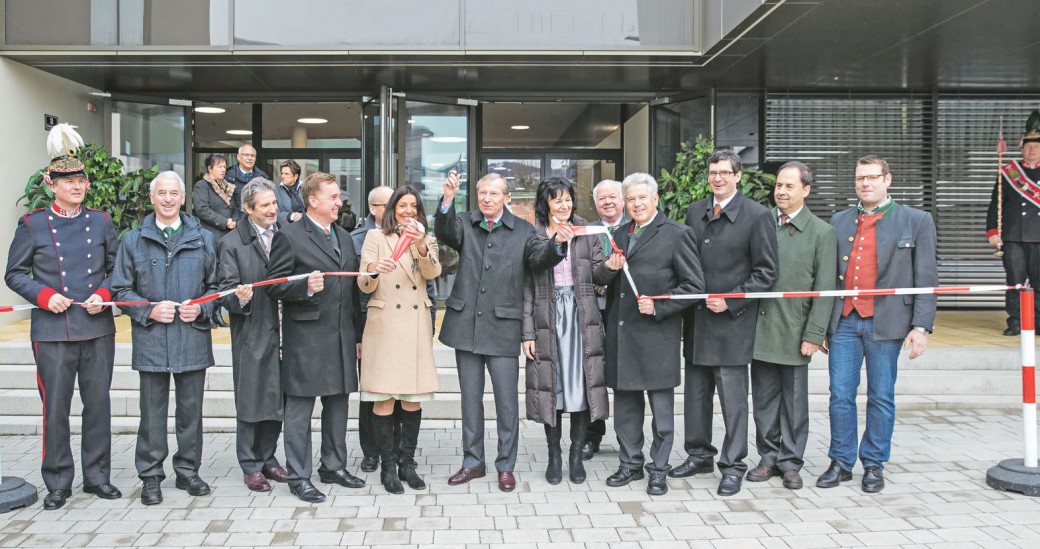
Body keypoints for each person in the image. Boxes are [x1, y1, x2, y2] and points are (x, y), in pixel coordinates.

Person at [4, 124, 120, 510]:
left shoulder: (102, 221)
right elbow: (15, 273)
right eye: (66, 180)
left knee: (98, 406)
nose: (75, 185)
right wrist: (44, 295)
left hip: (96, 327)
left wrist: (103, 295)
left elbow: (116, 270)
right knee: (55, 410)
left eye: (80, 179)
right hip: (52, 330)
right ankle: (57, 481)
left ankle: (97, 477)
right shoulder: (33, 224)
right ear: (50, 184)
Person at [435, 171, 569, 493]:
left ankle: (505, 466)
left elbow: (540, 257)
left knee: (506, 403)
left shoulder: (522, 230)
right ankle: (472, 462)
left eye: (494, 194)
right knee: (470, 400)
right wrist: (448, 200)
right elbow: (444, 231)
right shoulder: (465, 222)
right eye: (482, 193)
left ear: (507, 198)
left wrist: (557, 244)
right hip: (466, 325)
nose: (487, 199)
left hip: (504, 328)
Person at [818, 154, 937, 494]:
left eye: (872, 177)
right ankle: (840, 461)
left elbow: (926, 278)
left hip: (888, 322)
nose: (865, 183)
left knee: (881, 396)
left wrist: (921, 327)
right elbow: (826, 275)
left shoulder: (916, 220)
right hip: (843, 321)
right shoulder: (839, 220)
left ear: (888, 179)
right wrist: (821, 325)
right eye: (860, 178)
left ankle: (873, 463)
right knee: (840, 394)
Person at [111, 171, 218, 506]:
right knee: (152, 413)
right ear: (152, 198)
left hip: (192, 336)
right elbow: (120, 289)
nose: (168, 199)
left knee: (191, 412)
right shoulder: (133, 239)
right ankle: (151, 476)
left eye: (174, 192)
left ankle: (188, 471)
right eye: (162, 193)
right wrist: (148, 311)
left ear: (183, 197)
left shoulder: (203, 237)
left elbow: (217, 287)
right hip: (153, 338)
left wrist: (201, 309)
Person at [676, 149, 779, 497]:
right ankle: (698, 454)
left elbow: (766, 273)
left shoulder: (757, 216)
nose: (717, 178)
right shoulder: (695, 210)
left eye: (724, 172)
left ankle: (733, 464)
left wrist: (733, 299)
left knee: (733, 401)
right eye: (712, 172)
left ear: (738, 176)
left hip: (732, 325)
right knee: (696, 396)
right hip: (697, 321)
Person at [266, 171, 365, 503]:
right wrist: (303, 286)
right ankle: (298, 474)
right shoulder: (290, 236)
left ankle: (333, 466)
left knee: (338, 403)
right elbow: (273, 285)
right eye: (333, 197)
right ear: (313, 201)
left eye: (338, 197)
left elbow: (352, 292)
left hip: (341, 335)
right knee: (299, 409)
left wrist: (358, 336)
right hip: (306, 338)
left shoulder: (344, 235)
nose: (340, 202)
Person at [604, 172, 703, 496]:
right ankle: (630, 464)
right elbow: (604, 279)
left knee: (661, 415)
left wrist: (660, 306)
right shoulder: (618, 233)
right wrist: (608, 268)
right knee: (626, 412)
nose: (636, 204)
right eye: (631, 199)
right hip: (623, 337)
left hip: (657, 336)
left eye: (641, 198)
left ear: (655, 199)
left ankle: (658, 469)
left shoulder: (677, 234)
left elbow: (693, 288)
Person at [522, 177, 622, 485]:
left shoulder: (586, 230)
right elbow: (530, 277)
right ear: (546, 204)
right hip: (546, 318)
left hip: (581, 317)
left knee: (581, 389)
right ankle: (554, 456)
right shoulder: (535, 233)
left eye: (567, 200)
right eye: (557, 201)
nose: (564, 206)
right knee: (552, 389)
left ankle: (575, 456)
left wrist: (611, 267)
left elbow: (595, 274)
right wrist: (526, 332)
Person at [747, 161, 836, 491]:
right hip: (760, 327)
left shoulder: (821, 233)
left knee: (795, 402)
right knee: (764, 400)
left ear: (806, 190)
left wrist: (815, 334)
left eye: (789, 186)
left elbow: (825, 289)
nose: (781, 191)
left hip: (795, 330)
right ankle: (767, 458)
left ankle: (790, 461)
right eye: (779, 186)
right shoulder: (760, 222)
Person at [357, 185, 442, 494]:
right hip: (384, 325)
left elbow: (433, 273)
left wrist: (420, 246)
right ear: (392, 209)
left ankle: (408, 463)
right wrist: (374, 270)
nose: (408, 211)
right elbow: (363, 284)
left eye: (413, 206)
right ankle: (388, 466)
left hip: (415, 324)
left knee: (411, 398)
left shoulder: (426, 239)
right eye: (403, 206)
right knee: (384, 398)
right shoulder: (375, 237)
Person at [217, 178, 289, 492]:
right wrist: (241, 297)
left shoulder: (286, 235)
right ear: (248, 209)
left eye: (274, 203)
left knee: (278, 398)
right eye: (265, 205)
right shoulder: (232, 243)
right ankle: (249, 464)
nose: (273, 209)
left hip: (287, 330)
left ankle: (269, 457)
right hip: (253, 329)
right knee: (251, 398)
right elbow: (225, 292)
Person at [351, 185, 399, 474]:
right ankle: (371, 452)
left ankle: (396, 450)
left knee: (401, 392)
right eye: (388, 204)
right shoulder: (358, 239)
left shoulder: (410, 236)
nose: (395, 209)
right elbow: (354, 292)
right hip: (371, 328)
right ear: (373, 209)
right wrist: (357, 336)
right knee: (372, 393)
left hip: (403, 327)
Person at [583, 178, 627, 460]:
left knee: (624, 376)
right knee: (593, 375)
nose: (607, 202)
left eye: (613, 197)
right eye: (602, 198)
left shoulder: (635, 228)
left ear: (622, 200)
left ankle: (628, 438)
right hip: (594, 312)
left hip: (628, 313)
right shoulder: (588, 232)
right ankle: (592, 435)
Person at [987, 111, 1040, 336]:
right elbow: (994, 205)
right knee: (1014, 282)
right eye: (1028, 146)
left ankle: (1037, 321)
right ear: (1021, 148)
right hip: (1013, 236)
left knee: (1039, 283)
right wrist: (992, 231)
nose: (1032, 149)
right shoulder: (1009, 173)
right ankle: (1016, 321)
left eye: (1037, 146)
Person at [192, 153, 238, 239]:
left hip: (229, 235)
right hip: (210, 235)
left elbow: (234, 209)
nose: (223, 170)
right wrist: (225, 222)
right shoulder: (201, 185)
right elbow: (202, 210)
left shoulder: (228, 187)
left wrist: (235, 221)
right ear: (210, 168)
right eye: (219, 167)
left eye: (224, 167)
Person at [225, 144, 269, 213]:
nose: (250, 158)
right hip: (236, 220)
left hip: (257, 219)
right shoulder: (229, 176)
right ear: (238, 157)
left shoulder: (262, 177)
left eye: (253, 155)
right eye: (246, 155)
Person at [276, 159, 305, 224]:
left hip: (306, 225)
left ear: (295, 176)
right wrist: (291, 216)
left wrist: (303, 216)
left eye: (286, 174)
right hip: (287, 228)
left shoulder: (305, 188)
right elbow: (274, 212)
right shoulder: (276, 191)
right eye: (282, 173)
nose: (283, 176)